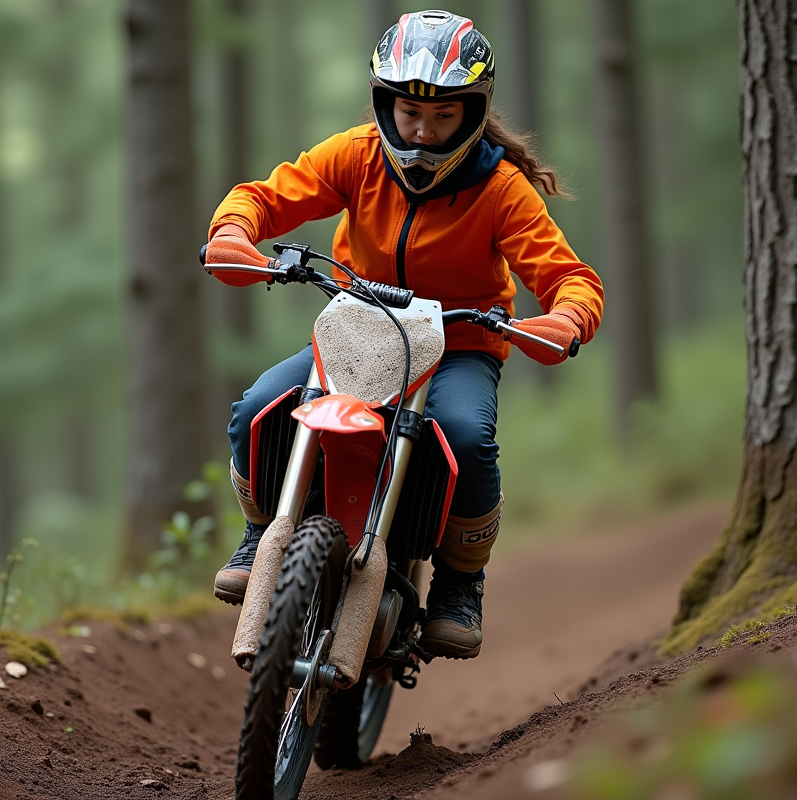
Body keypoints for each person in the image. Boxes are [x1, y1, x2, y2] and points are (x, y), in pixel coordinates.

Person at [203, 9, 604, 660]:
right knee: (256, 407)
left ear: (474, 113)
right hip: (356, 330)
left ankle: (460, 583)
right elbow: (266, 196)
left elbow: (570, 277)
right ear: (384, 105)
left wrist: (564, 318)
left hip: (459, 346)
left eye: (444, 117)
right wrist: (233, 232)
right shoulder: (355, 156)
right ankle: (260, 534)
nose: (422, 133)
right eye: (410, 114)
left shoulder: (501, 190)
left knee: (468, 438)